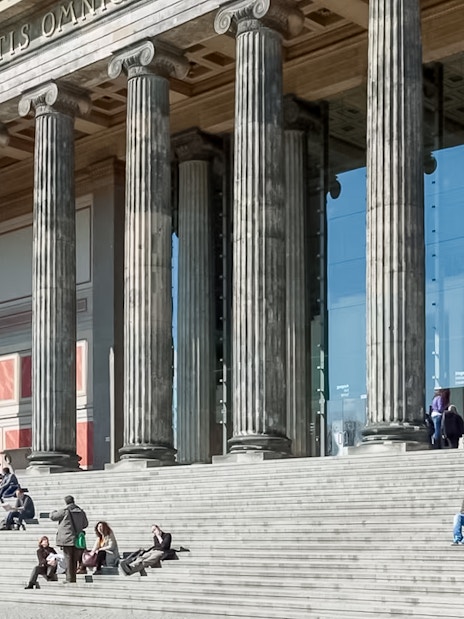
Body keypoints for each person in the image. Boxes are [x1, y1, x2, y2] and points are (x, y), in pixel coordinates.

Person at [50, 495, 88, 583]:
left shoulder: (65, 511)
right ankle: (72, 578)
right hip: (77, 539)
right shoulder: (81, 512)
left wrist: (53, 511)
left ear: (66, 502)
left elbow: (53, 517)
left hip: (67, 538)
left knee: (68, 559)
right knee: (74, 559)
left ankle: (70, 579)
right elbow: (85, 524)